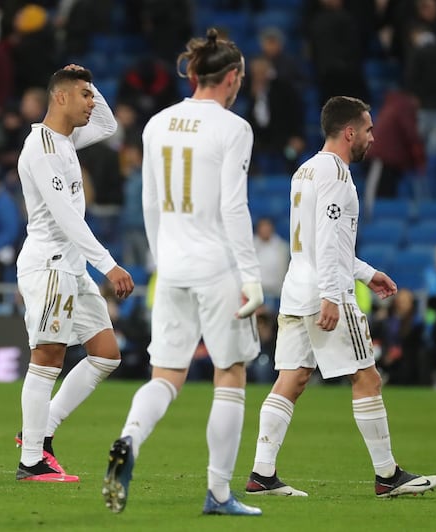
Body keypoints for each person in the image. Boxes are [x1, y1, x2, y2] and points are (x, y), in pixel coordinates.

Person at [244, 96, 436, 499]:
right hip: (323, 290)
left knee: (292, 378)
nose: (372, 138)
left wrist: (368, 274)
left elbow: (319, 242)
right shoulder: (337, 175)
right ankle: (388, 475)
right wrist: (334, 296)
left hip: (296, 286)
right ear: (350, 132)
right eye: (369, 130)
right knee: (367, 377)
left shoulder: (305, 170)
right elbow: (330, 242)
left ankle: (262, 474)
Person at [102, 28, 264, 517]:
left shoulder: (156, 124)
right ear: (232, 78)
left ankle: (128, 439)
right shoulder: (234, 129)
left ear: (194, 74)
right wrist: (252, 275)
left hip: (170, 266)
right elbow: (235, 207)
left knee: (166, 375)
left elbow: (150, 203)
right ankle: (218, 493)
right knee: (229, 373)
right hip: (217, 267)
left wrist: (160, 259)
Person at [14, 65, 134, 483]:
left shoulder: (66, 140)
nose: (91, 102)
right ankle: (31, 461)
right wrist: (109, 264)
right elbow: (66, 217)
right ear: (60, 98)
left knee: (105, 354)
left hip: (71, 267)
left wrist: (83, 77)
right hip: (49, 265)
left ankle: (40, 431)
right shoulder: (43, 148)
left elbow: (108, 122)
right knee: (48, 356)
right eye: (84, 95)